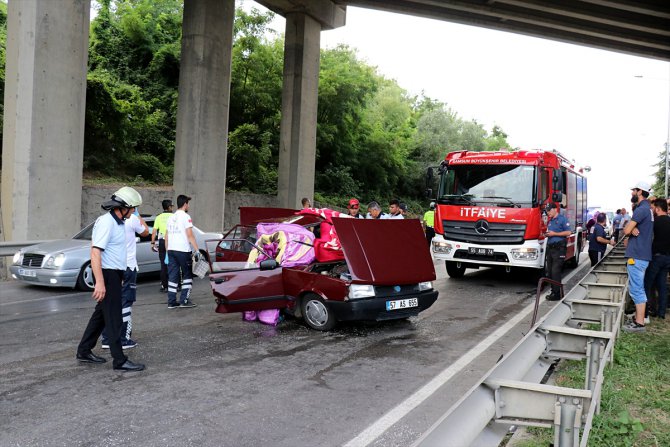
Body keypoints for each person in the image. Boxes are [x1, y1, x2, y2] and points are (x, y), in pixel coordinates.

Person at [76, 187, 145, 372]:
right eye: (133, 209)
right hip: (106, 274)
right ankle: (119, 360)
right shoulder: (106, 222)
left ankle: (84, 350)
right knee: (114, 316)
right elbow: (95, 252)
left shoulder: (120, 223)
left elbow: (115, 252)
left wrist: (120, 275)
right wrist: (100, 282)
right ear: (124, 207)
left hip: (114, 274)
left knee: (101, 315)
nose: (134, 212)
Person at [101, 208, 149, 350]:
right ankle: (123, 339)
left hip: (112, 267)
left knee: (111, 303)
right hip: (128, 266)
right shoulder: (132, 219)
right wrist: (138, 215)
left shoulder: (106, 220)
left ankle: (106, 338)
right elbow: (146, 231)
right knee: (126, 302)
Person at [622, 181, 654, 332]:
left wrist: (630, 228)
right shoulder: (648, 209)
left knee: (637, 289)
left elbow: (626, 230)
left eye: (633, 191)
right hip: (642, 255)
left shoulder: (641, 209)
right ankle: (638, 318)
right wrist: (631, 228)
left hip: (637, 256)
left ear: (640, 191)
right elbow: (630, 229)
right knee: (638, 288)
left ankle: (639, 323)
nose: (632, 193)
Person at [165, 194, 200, 309]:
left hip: (171, 250)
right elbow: (190, 235)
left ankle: (171, 302)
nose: (188, 206)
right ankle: (184, 300)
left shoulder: (170, 217)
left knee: (173, 276)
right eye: (188, 203)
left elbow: (167, 235)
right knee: (187, 274)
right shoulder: (185, 216)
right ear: (185, 204)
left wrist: (167, 251)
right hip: (183, 250)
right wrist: (197, 249)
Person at [643, 198, 670, 320]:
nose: (652, 210)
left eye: (653, 208)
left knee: (647, 284)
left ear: (658, 208)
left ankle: (645, 313)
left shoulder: (655, 222)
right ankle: (661, 313)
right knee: (662, 285)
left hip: (656, 257)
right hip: (667, 258)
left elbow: (648, 237)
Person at [544, 202, 571, 301]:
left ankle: (557, 294)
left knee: (556, 272)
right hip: (551, 248)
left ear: (555, 209)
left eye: (549, 210)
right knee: (550, 272)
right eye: (547, 211)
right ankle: (553, 291)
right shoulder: (550, 221)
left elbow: (568, 232)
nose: (548, 213)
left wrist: (554, 234)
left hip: (559, 248)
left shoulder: (562, 219)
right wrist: (547, 234)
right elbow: (551, 234)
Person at [151, 199, 173, 293]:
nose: (172, 207)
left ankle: (164, 286)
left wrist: (152, 243)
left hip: (162, 242)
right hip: (172, 242)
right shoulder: (174, 216)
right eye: (172, 206)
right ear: (169, 207)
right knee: (174, 264)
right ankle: (176, 285)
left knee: (163, 265)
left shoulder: (158, 217)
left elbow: (154, 231)